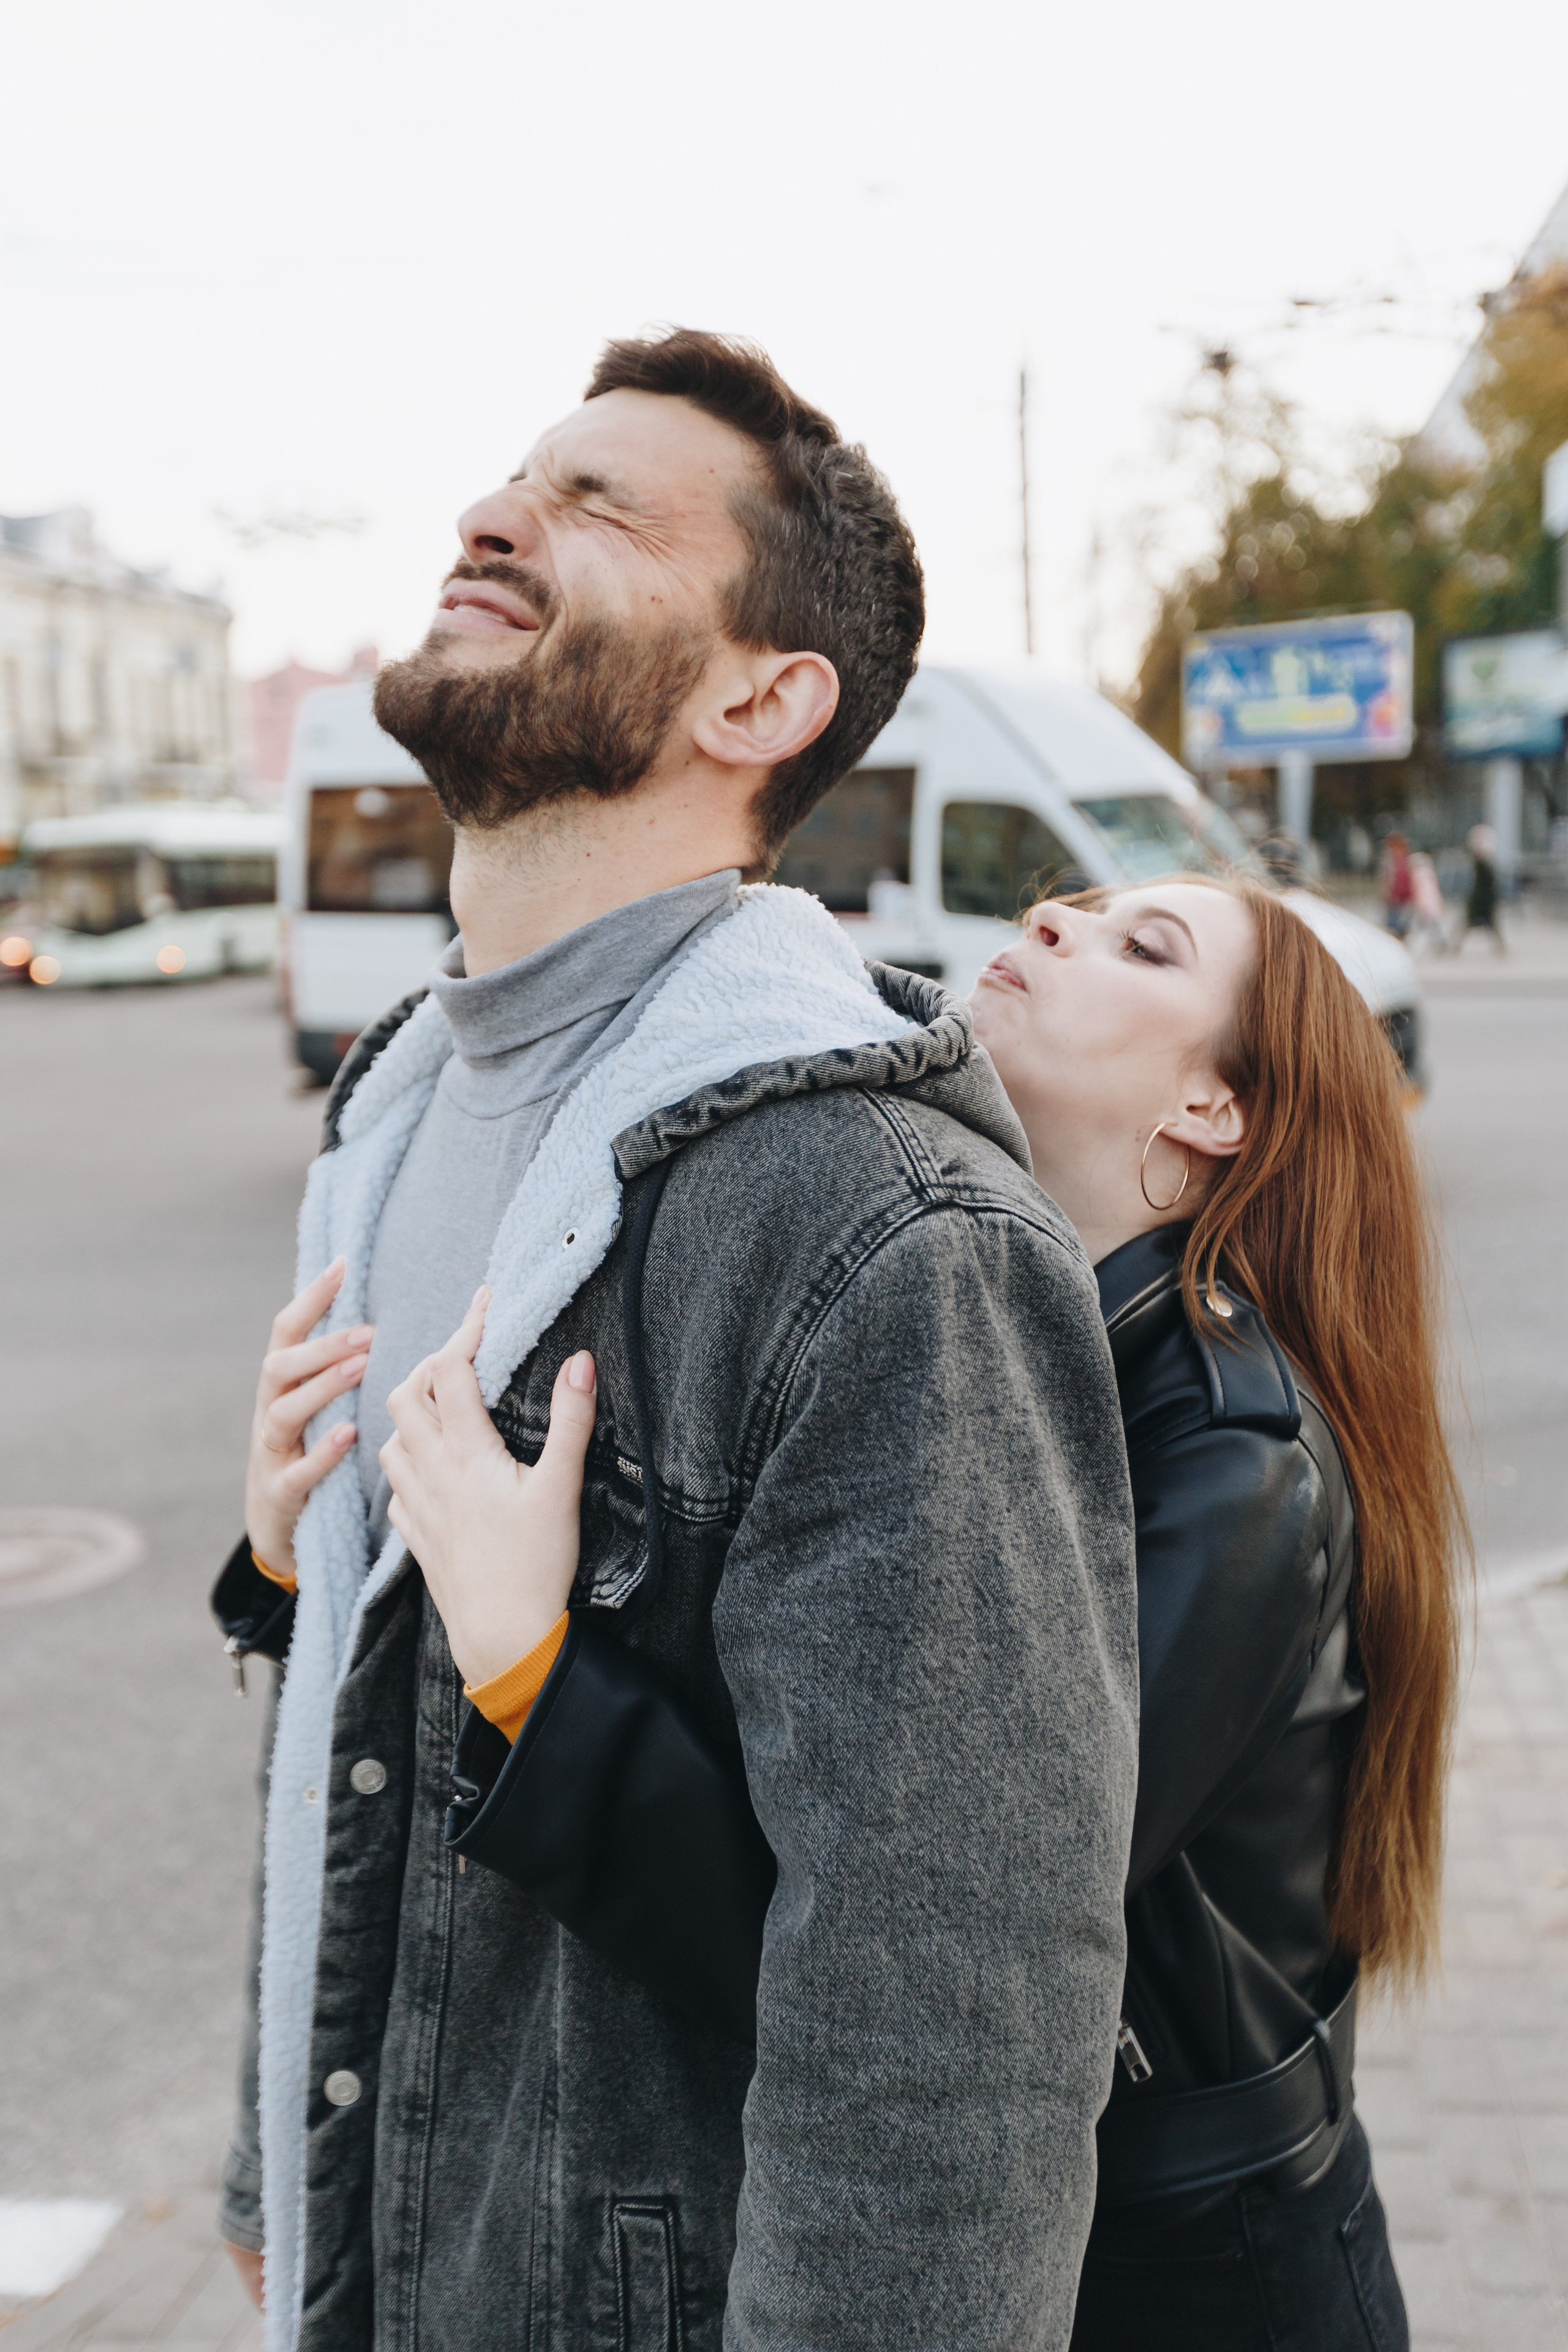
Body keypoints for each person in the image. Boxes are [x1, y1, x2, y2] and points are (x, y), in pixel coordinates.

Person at [213, 330, 1140, 2352]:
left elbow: (944, 2052)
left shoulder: (889, 1227)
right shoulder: (385, 1118)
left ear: (763, 695)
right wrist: (273, 2163)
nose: (494, 516)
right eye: (513, 480)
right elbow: (356, 1746)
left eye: (598, 507)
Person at [443, 872, 1464, 2350]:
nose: (1056, 918)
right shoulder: (995, 1327)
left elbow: (911, 1953)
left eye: (1144, 945)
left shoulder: (1237, 1478)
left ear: (1214, 1108)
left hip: (1185, 2273)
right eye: (1080, 904)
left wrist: (533, 1671)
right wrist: (285, 1566)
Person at [1459, 821, 1506, 952]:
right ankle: (1501, 949)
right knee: (1488, 927)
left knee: (1472, 926)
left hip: (1482, 902)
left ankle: (1501, 949)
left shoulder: (1482, 866)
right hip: (1483, 902)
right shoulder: (1483, 866)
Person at [1381, 829, 1414, 936]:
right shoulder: (1393, 859)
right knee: (1394, 921)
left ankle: (1398, 936)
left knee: (1399, 920)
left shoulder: (1402, 859)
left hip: (1402, 894)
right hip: (1396, 895)